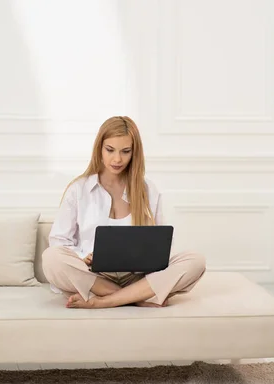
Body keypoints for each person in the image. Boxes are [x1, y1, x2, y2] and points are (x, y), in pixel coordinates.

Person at [42, 116, 206, 309]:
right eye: (110, 150)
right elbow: (59, 241)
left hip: (137, 277)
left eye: (125, 151)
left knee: (195, 261)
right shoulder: (78, 189)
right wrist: (82, 256)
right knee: (51, 257)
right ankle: (136, 297)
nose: (117, 159)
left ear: (134, 153)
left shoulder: (148, 190)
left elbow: (161, 244)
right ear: (99, 149)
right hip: (95, 276)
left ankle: (104, 301)